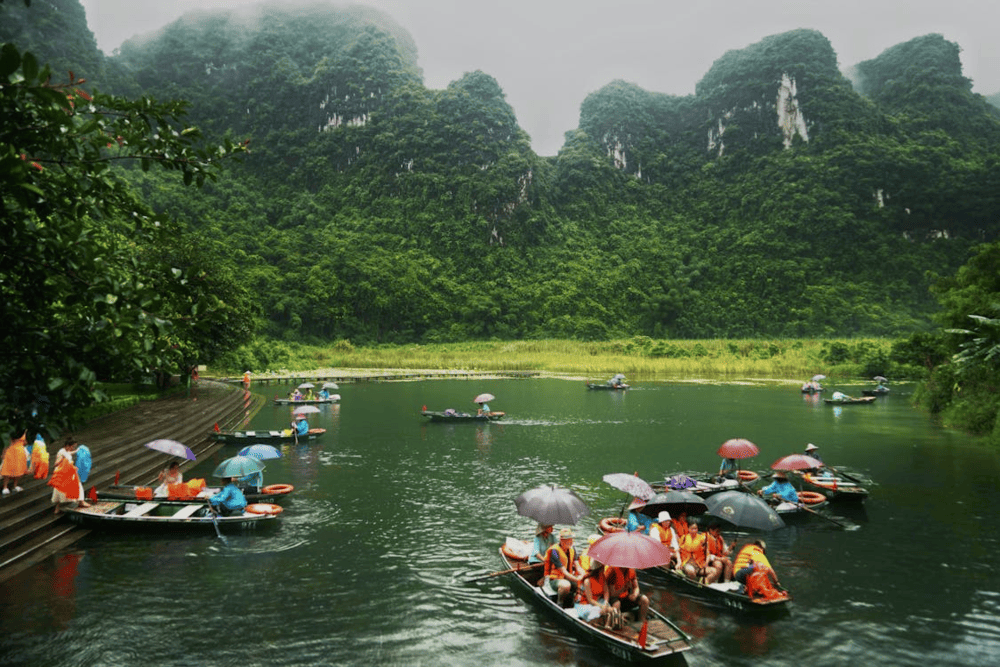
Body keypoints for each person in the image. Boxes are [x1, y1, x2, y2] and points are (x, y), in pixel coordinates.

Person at [544, 528, 583, 608]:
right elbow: (563, 571)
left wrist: (584, 575)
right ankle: (560, 603)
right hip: (554, 579)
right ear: (561, 541)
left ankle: (577, 602)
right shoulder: (554, 551)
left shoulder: (572, 548)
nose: (570, 542)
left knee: (586, 582)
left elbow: (577, 566)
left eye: (571, 539)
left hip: (567, 577)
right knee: (566, 585)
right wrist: (577, 579)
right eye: (567, 540)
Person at [48, 437, 89, 513]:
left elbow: (70, 453)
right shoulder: (61, 452)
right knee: (59, 490)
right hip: (62, 473)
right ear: (67, 446)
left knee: (78, 485)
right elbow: (56, 463)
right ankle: (57, 507)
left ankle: (81, 501)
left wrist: (78, 450)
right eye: (73, 447)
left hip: (70, 472)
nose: (73, 448)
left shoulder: (66, 451)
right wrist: (62, 462)